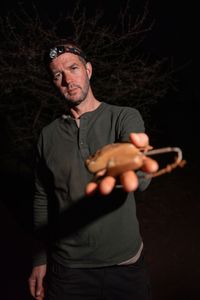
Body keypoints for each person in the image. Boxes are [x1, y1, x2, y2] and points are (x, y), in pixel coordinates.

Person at [28, 40, 158, 300]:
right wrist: (39, 258)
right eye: (57, 75)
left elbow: (140, 175)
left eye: (73, 68)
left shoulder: (123, 117)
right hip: (68, 271)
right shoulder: (47, 135)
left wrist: (136, 166)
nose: (67, 79)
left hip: (125, 266)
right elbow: (43, 198)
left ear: (88, 70)